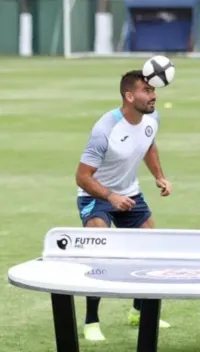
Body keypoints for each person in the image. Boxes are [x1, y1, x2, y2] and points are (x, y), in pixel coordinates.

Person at [75, 70, 172, 341]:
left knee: (150, 249)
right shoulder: (105, 130)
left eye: (153, 90)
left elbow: (148, 145)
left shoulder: (152, 118)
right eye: (146, 90)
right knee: (99, 250)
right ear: (129, 96)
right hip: (95, 196)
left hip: (130, 194)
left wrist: (159, 177)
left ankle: (139, 312)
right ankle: (91, 321)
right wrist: (110, 197)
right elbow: (82, 177)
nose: (153, 95)